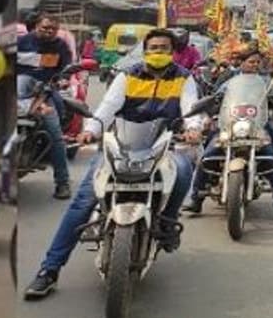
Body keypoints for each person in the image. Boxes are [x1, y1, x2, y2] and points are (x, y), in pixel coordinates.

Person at [23, 28, 202, 300]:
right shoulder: (127, 75)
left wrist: (193, 128)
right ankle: (49, 270)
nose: (159, 52)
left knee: (185, 169)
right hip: (122, 145)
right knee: (83, 202)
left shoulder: (184, 78)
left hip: (163, 145)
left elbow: (191, 111)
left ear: (172, 51)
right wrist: (90, 131)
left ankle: (166, 221)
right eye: (153, 47)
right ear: (145, 50)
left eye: (164, 48)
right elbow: (106, 108)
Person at [185, 47, 273, 222]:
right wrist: (208, 115)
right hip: (230, 126)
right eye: (251, 62)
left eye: (257, 62)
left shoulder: (266, 81)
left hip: (256, 127)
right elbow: (215, 98)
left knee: (272, 161)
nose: (255, 65)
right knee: (207, 157)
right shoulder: (230, 80)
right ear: (241, 63)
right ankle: (196, 199)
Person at [15, 12, 75, 199]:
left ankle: (62, 183)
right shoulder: (20, 43)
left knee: (56, 137)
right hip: (17, 94)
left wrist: (64, 80)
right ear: (36, 27)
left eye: (53, 29)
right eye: (45, 27)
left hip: (43, 94)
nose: (49, 31)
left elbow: (65, 70)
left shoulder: (61, 46)